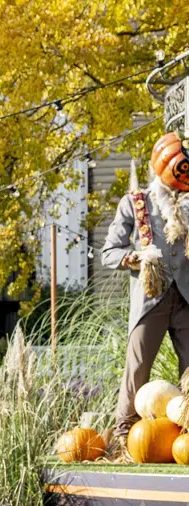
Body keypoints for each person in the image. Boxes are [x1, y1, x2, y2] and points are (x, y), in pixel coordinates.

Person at [102, 132, 189, 445]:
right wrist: (134, 258)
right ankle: (124, 437)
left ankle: (186, 436)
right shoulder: (136, 203)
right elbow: (108, 252)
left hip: (186, 298)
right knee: (137, 369)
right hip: (151, 299)